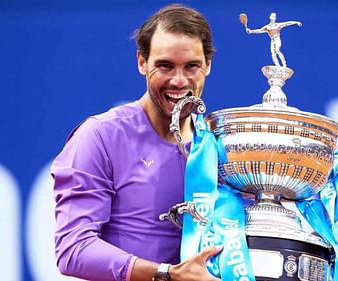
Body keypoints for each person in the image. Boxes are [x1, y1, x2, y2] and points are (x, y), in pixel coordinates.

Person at [51, 4, 221, 281]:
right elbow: (74, 249)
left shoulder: (221, 144)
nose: (178, 81)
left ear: (208, 66)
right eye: (165, 66)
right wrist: (167, 274)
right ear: (142, 62)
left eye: (191, 67)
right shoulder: (100, 136)